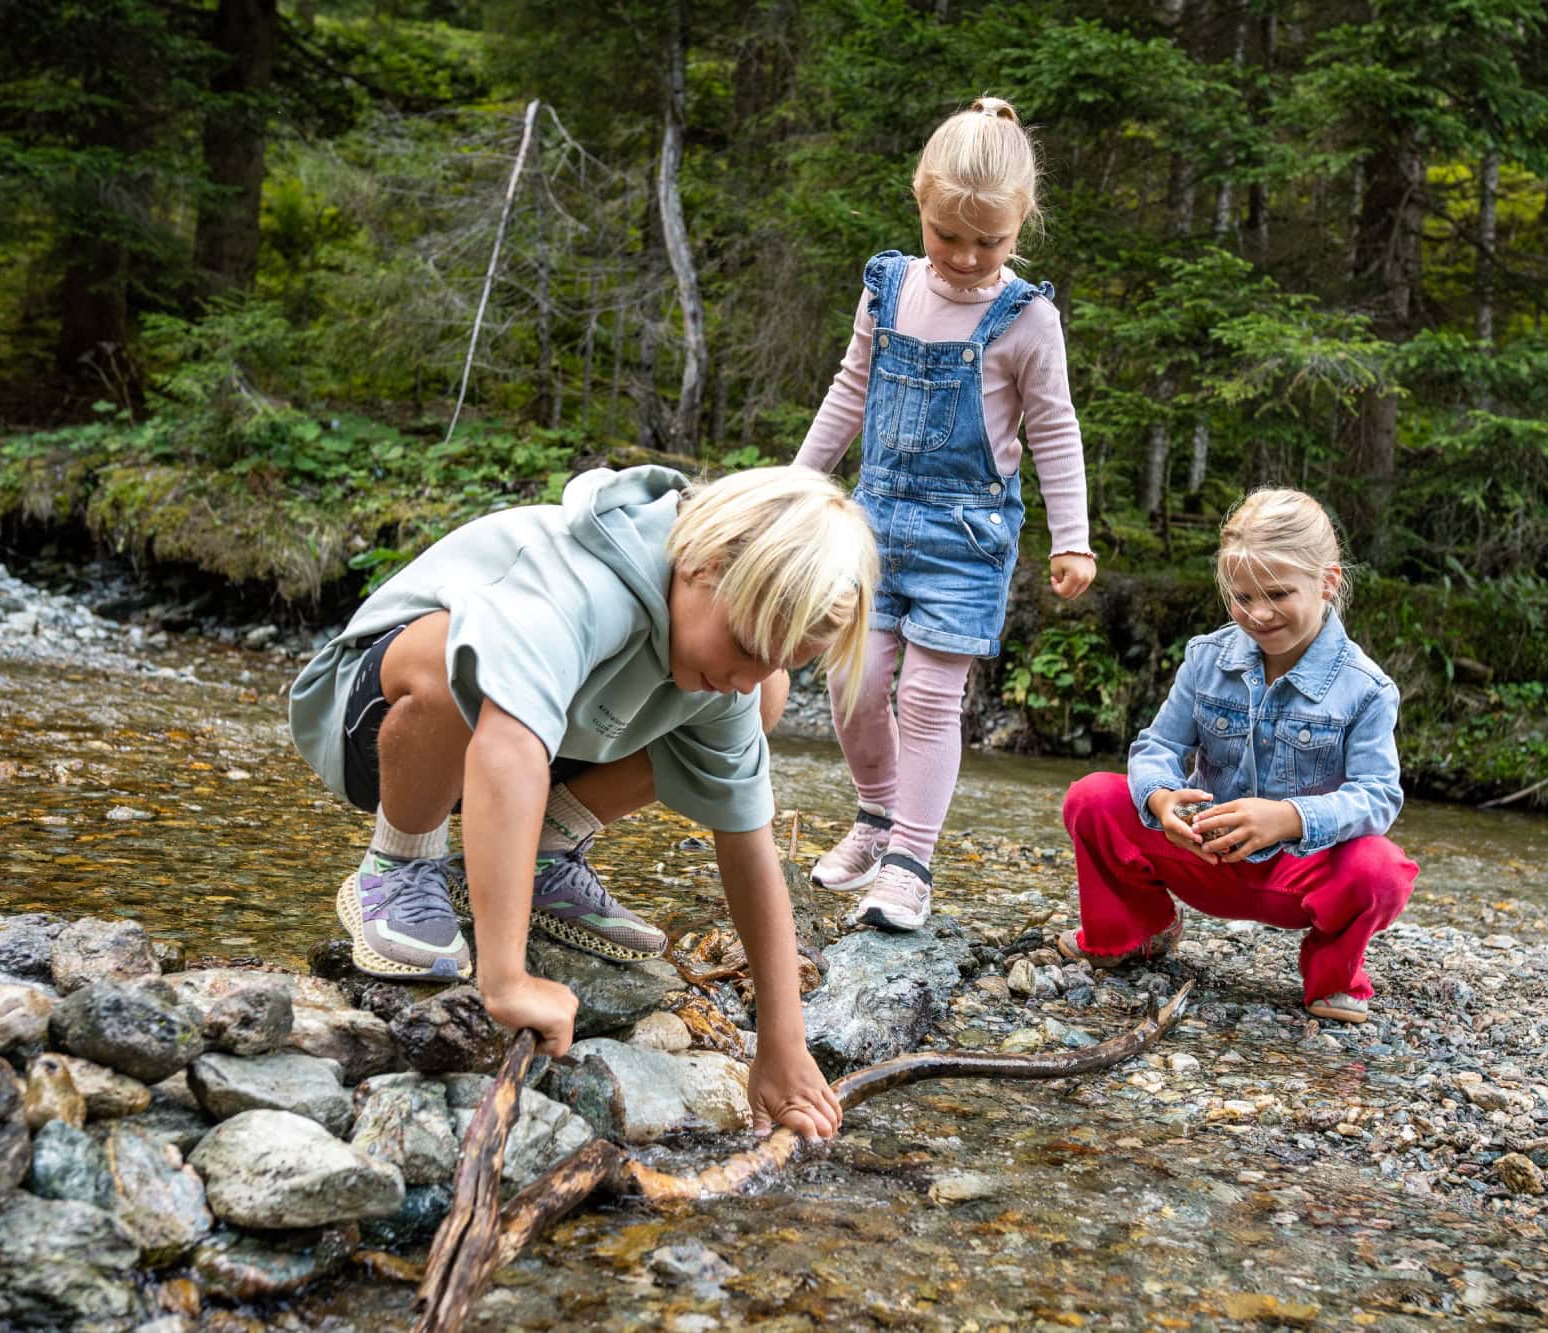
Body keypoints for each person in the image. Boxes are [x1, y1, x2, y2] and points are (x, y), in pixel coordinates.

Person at [287, 464, 874, 1136]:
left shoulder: (728, 659)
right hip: (383, 718)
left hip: (535, 744)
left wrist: (782, 1040)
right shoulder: (584, 584)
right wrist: (505, 977)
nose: (747, 674)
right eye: (746, 646)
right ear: (703, 566)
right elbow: (508, 745)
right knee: (458, 652)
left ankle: (544, 850)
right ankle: (400, 864)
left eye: (780, 659)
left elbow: (748, 844)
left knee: (750, 704)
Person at [795, 96, 1094, 932]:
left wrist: (1072, 536)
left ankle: (910, 864)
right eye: (947, 235)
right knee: (851, 680)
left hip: (967, 538)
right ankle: (875, 815)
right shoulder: (887, 289)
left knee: (929, 698)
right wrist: (798, 484)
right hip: (874, 522)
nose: (965, 258)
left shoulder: (1027, 318)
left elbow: (1056, 428)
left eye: (988, 242)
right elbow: (850, 390)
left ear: (1021, 221)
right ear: (920, 203)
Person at [1057, 488, 1417, 1024]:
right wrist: (1160, 800)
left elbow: (1379, 796)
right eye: (1241, 597)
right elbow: (1158, 746)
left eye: (1276, 594)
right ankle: (1136, 932)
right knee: (1093, 798)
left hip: (1296, 876)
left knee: (1381, 870)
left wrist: (1289, 818)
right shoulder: (1207, 658)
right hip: (1203, 854)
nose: (1258, 614)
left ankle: (1333, 976)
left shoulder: (1366, 689)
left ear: (1328, 582)